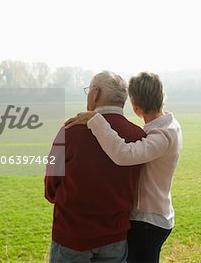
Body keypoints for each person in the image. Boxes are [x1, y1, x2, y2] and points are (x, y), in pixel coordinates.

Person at [65, 72, 182, 263]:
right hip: (155, 218)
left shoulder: (162, 135)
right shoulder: (169, 126)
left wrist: (95, 120)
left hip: (147, 222)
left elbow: (123, 154)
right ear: (162, 97)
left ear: (135, 108)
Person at [45, 71, 147, 263]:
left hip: (72, 234)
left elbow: (51, 182)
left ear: (95, 94)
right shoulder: (138, 135)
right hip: (115, 236)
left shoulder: (70, 130)